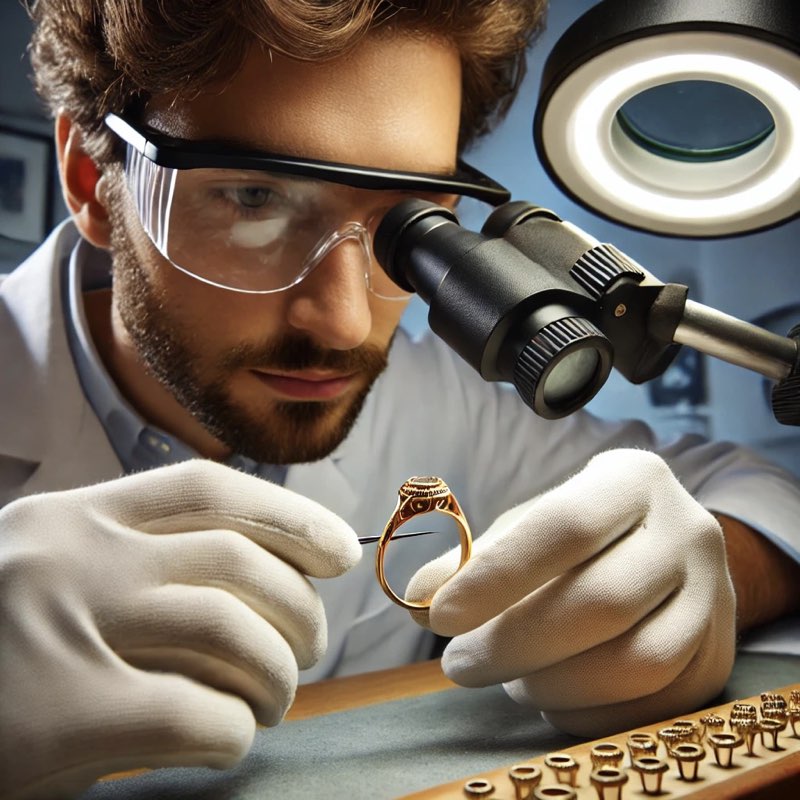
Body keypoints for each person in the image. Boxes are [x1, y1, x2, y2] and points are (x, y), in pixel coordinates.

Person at [2, 1, 799, 797]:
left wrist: (696, 573)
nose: (345, 322)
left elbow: (761, 496)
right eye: (253, 199)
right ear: (90, 181)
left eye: (404, 225)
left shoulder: (439, 398)